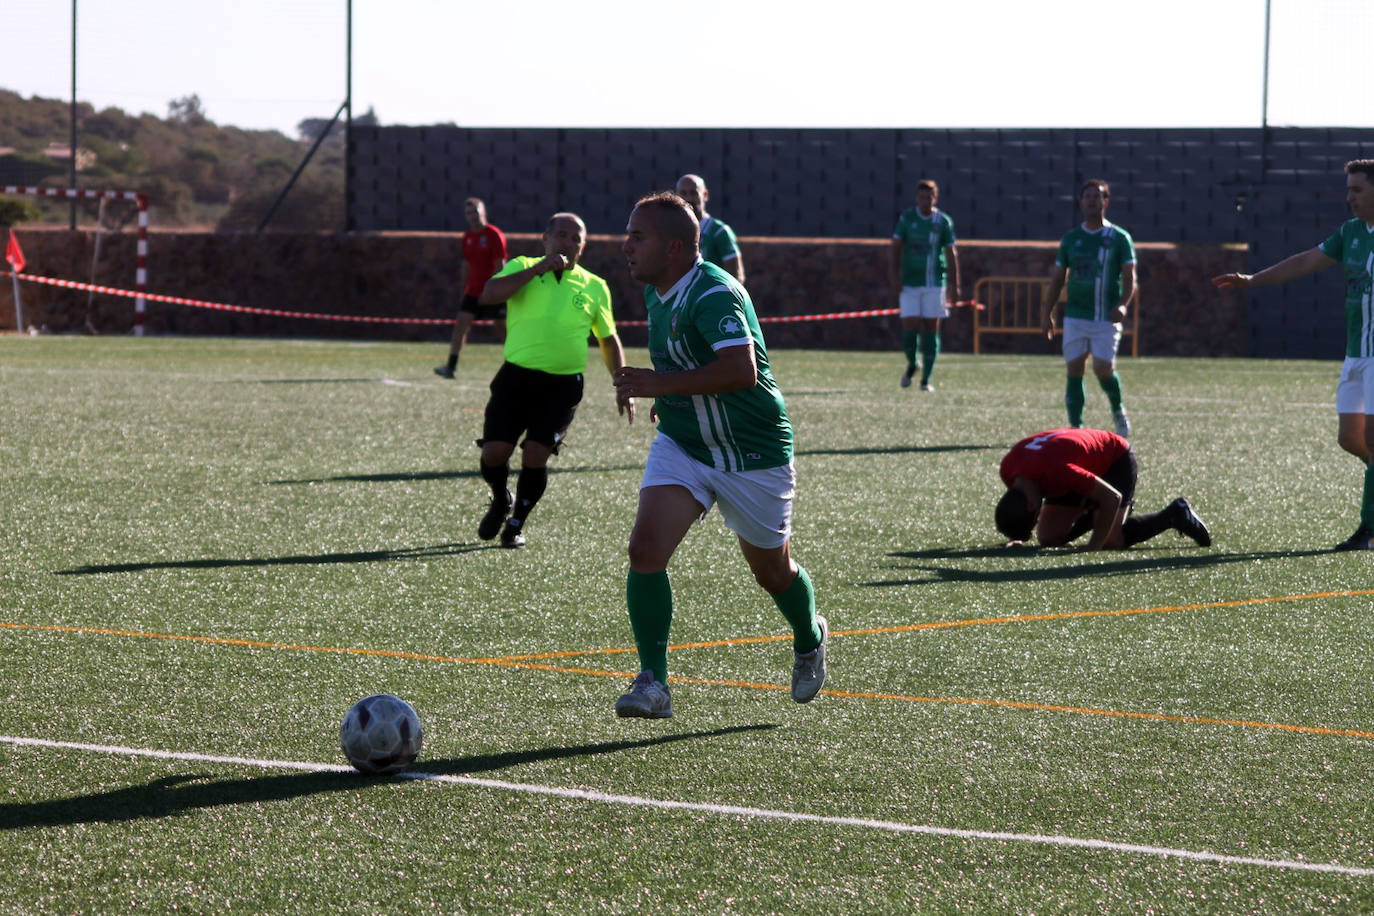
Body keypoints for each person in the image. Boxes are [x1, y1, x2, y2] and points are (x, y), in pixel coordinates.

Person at [611, 191, 826, 718]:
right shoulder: (659, 290)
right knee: (645, 550)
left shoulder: (714, 292)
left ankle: (809, 633)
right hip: (685, 444)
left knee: (772, 574)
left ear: (677, 247)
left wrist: (660, 383)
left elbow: (740, 371)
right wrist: (667, 396)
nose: (626, 246)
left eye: (639, 236)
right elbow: (688, 364)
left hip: (753, 452)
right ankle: (653, 683)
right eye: (628, 234)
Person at [1213, 159, 1374, 550]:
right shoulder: (1351, 232)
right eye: (1348, 188)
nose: (1348, 196)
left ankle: (1368, 530)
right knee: (1350, 439)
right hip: (1356, 354)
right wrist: (1253, 279)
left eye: (1357, 189)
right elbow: (1306, 260)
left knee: (1372, 436)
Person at [473, 211, 634, 548]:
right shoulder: (521, 266)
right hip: (515, 379)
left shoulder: (594, 286)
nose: (567, 242)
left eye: (576, 237)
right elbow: (488, 294)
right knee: (494, 454)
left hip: (562, 386)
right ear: (545, 239)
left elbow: (608, 338)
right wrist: (536, 269)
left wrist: (623, 384)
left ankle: (516, 523)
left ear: (583, 246)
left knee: (536, 455)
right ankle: (502, 498)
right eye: (561, 234)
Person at [994, 427, 1211, 551]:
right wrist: (1020, 537)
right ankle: (1095, 513)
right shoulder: (1009, 471)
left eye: (1033, 520)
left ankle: (1174, 514)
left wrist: (1093, 546)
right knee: (1049, 538)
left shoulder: (1058, 471)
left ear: (1031, 504)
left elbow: (1112, 497)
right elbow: (1026, 501)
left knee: (1111, 540)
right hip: (1073, 466)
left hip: (1114, 460)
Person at [1042, 179, 1137, 437]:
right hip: (1075, 315)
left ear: (1106, 202)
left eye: (1097, 197)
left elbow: (1130, 277)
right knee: (1074, 367)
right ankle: (1075, 427)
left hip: (1106, 317)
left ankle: (1118, 410)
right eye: (1087, 197)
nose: (1092, 201)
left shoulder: (1119, 238)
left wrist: (1123, 305)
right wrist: (1048, 311)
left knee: (1103, 369)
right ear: (1081, 203)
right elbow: (1058, 278)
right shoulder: (1071, 239)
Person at [890, 179, 960, 391]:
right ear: (916, 198)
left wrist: (955, 285)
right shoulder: (907, 219)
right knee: (910, 325)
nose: (924, 201)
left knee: (931, 327)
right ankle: (913, 363)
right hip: (910, 284)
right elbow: (895, 248)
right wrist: (894, 276)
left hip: (935, 283)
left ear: (935, 198)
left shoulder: (943, 222)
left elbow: (951, 253)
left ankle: (925, 379)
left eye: (928, 197)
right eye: (921, 197)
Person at [435, 197, 507, 378]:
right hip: (473, 292)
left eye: (475, 211)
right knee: (460, 326)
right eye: (468, 213)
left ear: (483, 212)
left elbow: (501, 264)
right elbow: (466, 264)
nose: (472, 216)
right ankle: (451, 367)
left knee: (502, 329)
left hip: (492, 291)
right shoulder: (467, 237)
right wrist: (464, 289)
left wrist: (497, 290)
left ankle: (516, 365)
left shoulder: (494, 234)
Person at [674, 174, 745, 283]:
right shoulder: (672, 231)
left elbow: (736, 276)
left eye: (694, 193)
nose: (688, 198)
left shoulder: (719, 231)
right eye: (683, 193)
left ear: (705, 195)